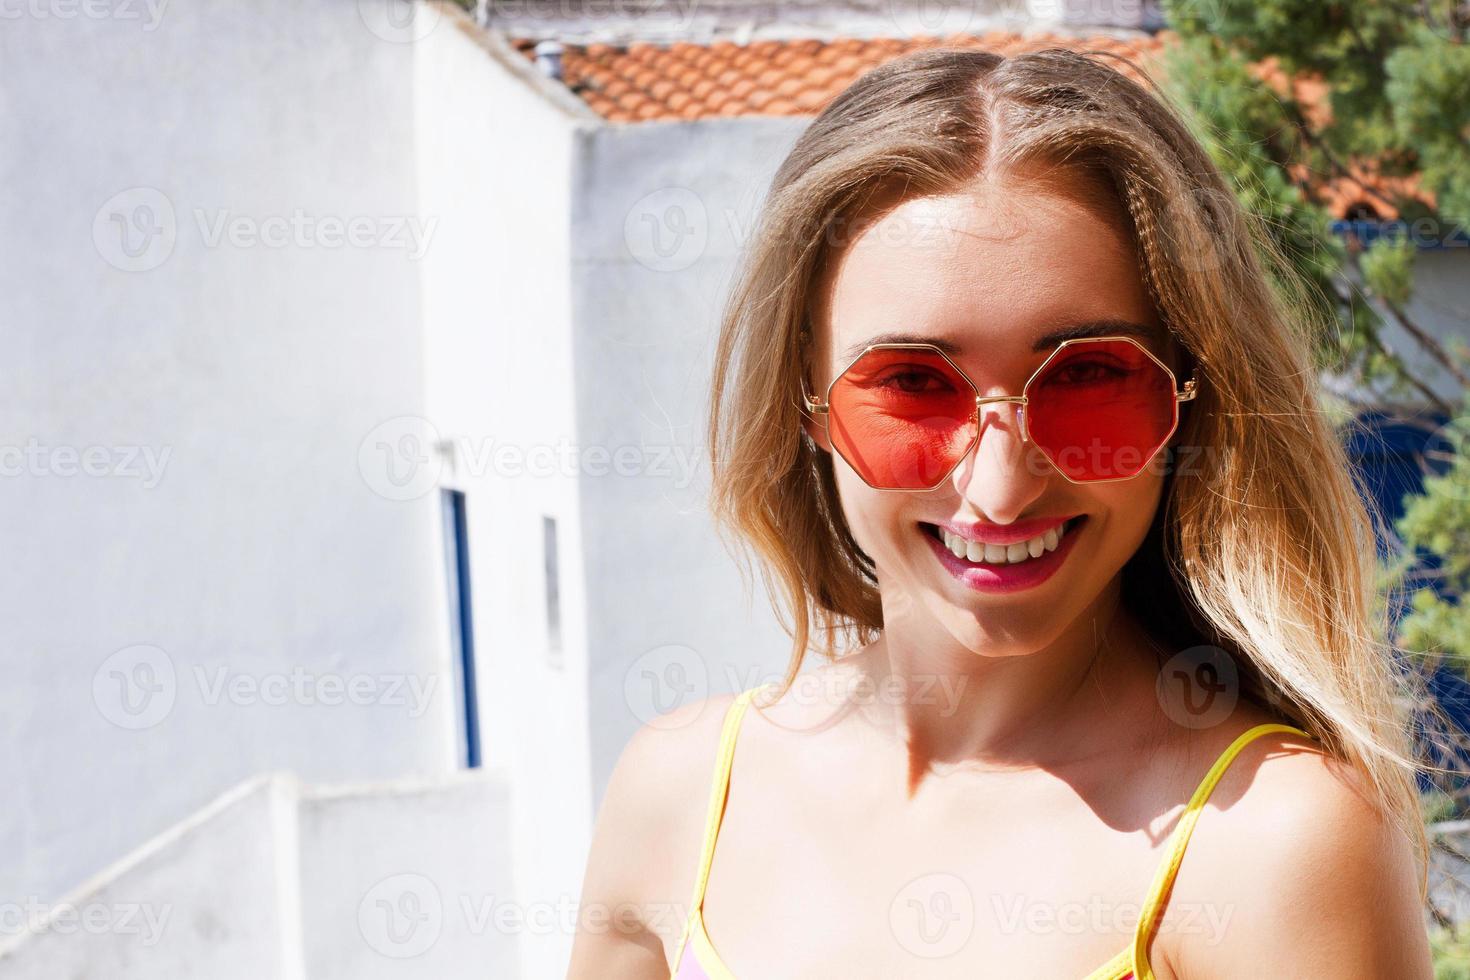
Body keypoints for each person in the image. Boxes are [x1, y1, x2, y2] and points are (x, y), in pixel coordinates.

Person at [568, 45, 1433, 979]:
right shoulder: (682, 795)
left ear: (1192, 398)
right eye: (909, 382)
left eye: (1090, 376)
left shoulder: (1277, 844)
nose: (1000, 486)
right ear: (803, 403)